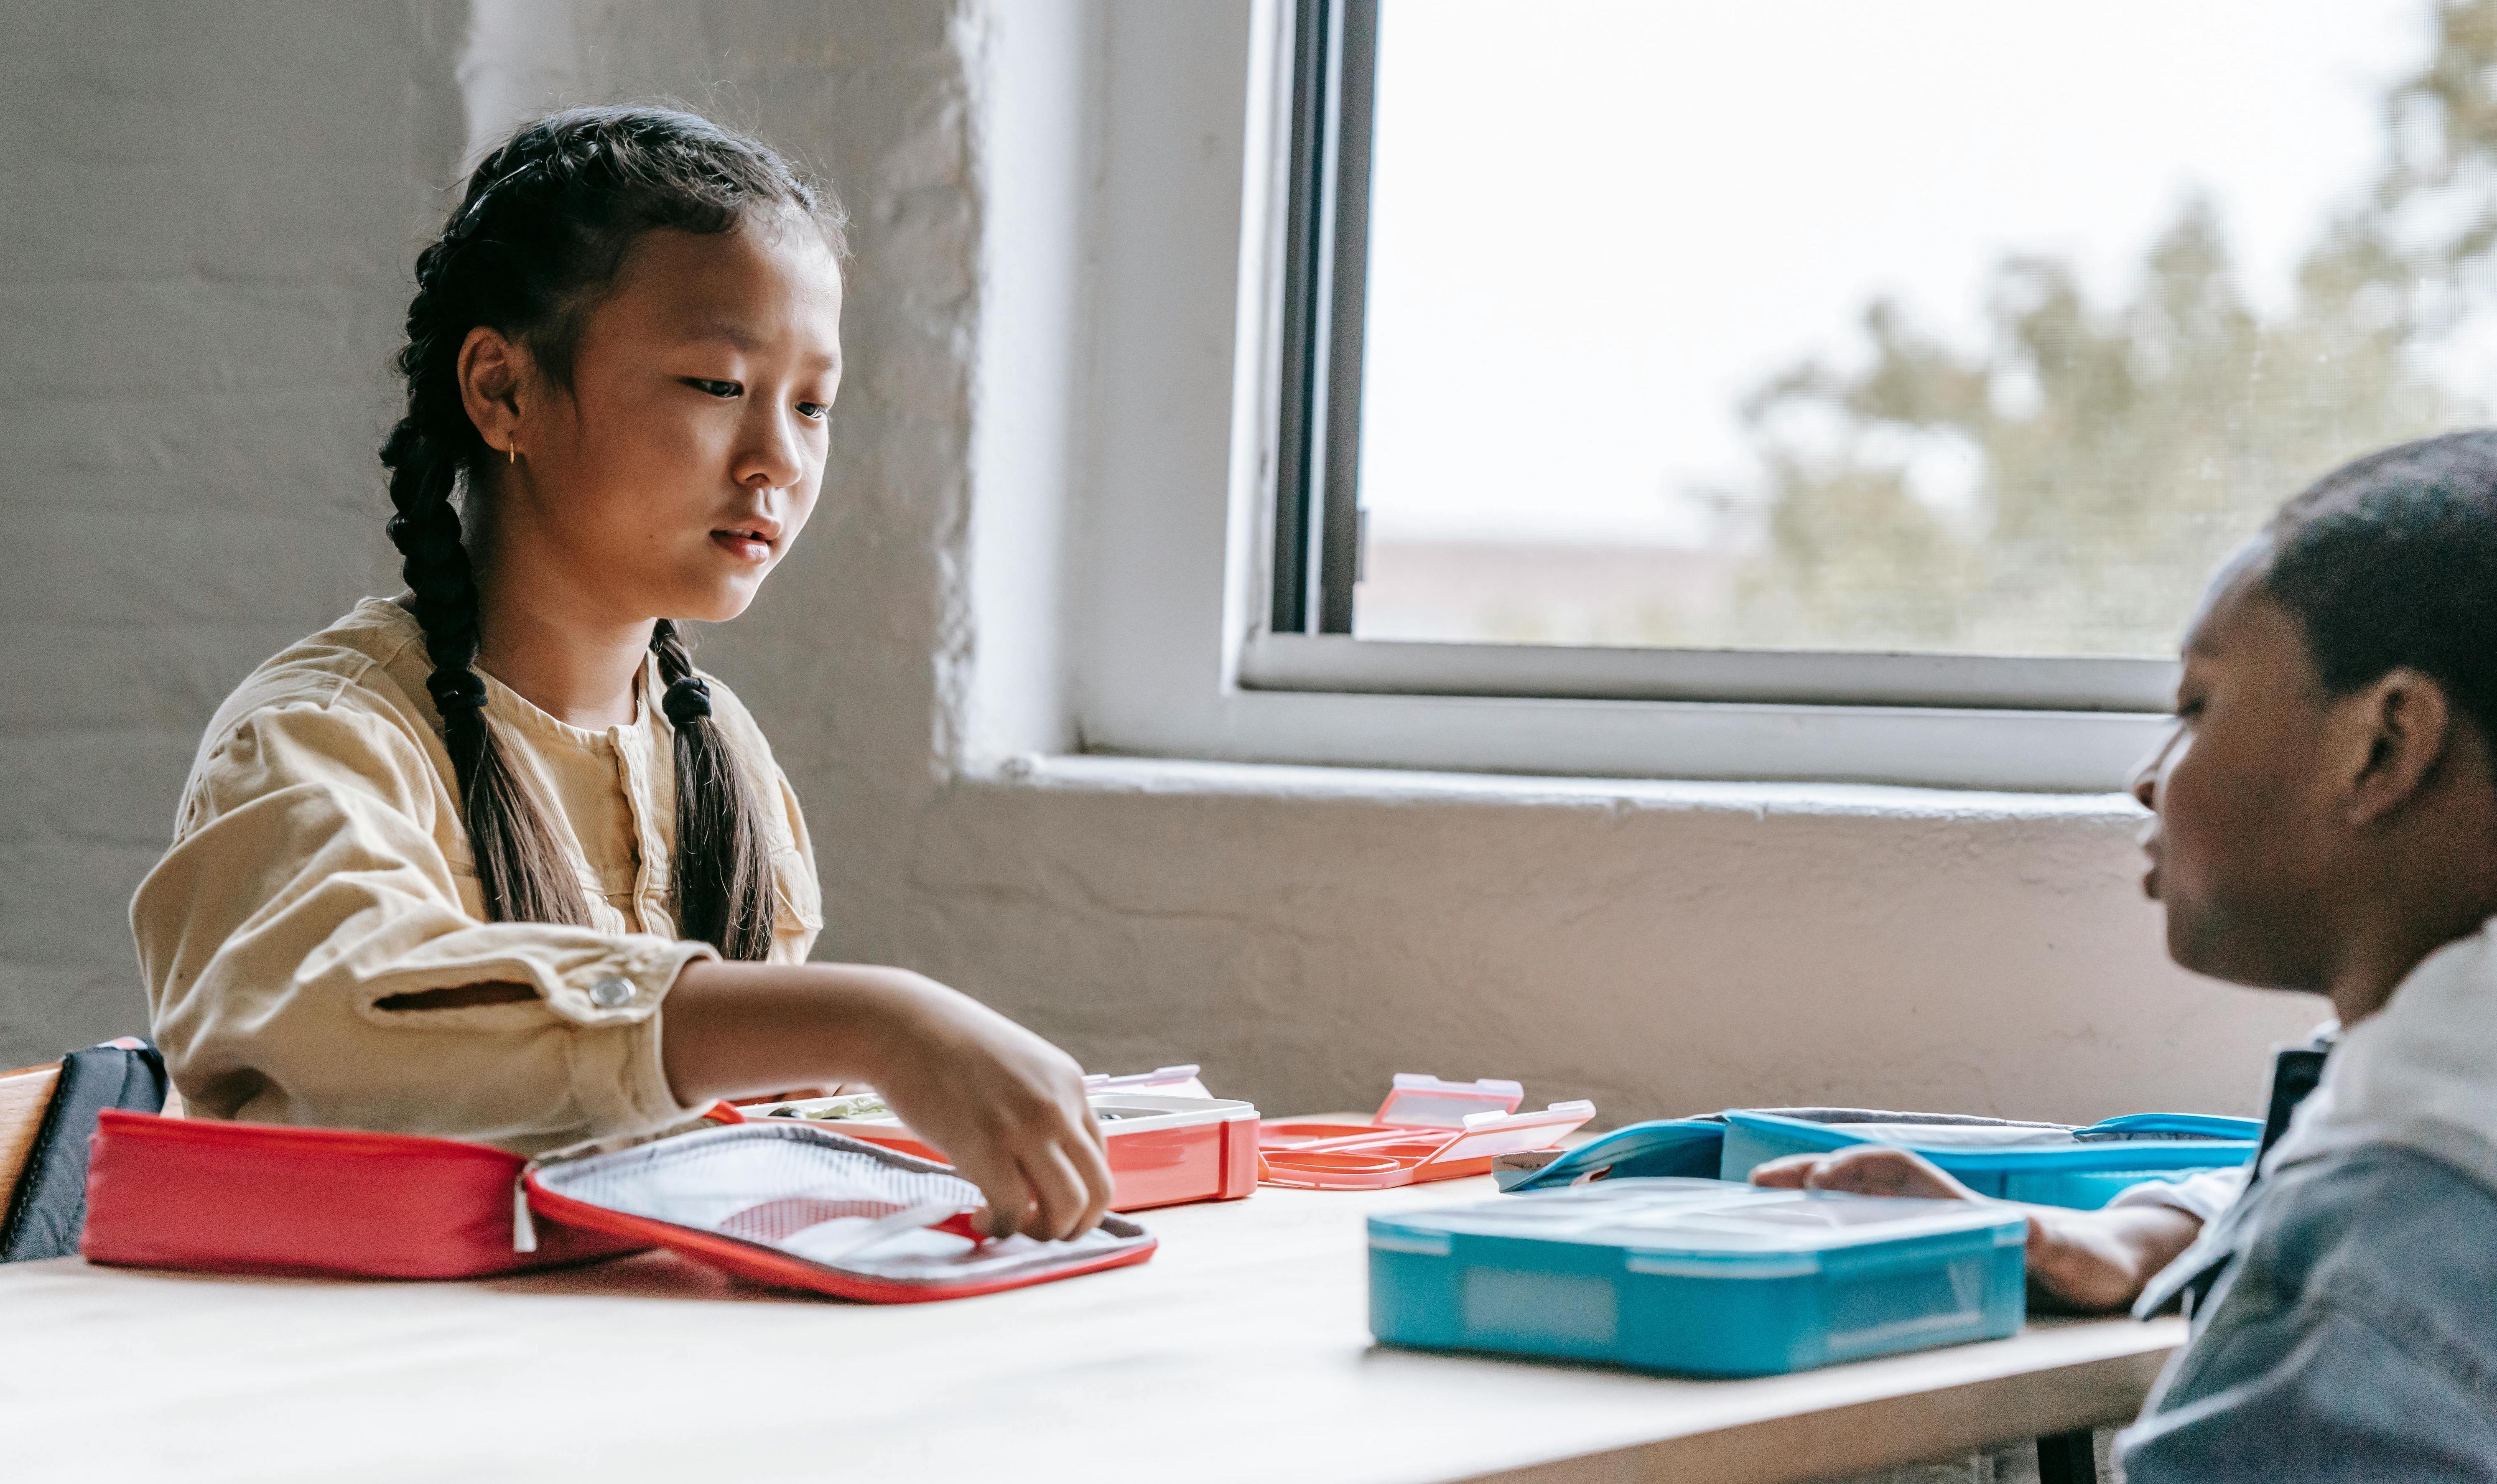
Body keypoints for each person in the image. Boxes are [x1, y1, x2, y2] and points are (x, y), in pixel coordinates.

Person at [129, 107, 1113, 1242]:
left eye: (811, 405)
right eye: (714, 384)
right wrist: (874, 1020)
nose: (777, 462)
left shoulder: (713, 747)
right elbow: (354, 1020)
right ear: (502, 391)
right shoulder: (320, 740)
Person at [1756, 431, 2497, 1477]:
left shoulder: (2362, 1302)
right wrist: (2139, 1235)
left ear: (2381, 746)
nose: (2148, 781)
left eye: (2196, 707)